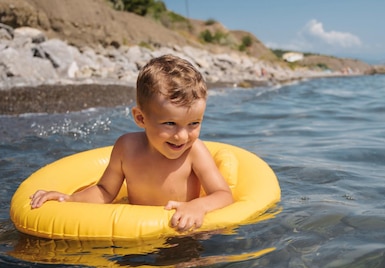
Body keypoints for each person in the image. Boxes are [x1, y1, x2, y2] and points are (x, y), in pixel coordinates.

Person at [30, 54, 234, 232]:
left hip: (183, 232)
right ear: (140, 118)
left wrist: (198, 206)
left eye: (193, 123)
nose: (182, 136)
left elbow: (223, 195)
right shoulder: (126, 148)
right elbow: (105, 191)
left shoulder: (194, 152)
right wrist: (68, 199)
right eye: (170, 123)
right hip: (135, 232)